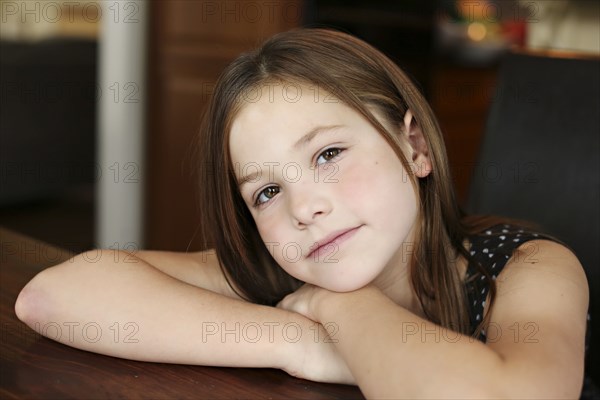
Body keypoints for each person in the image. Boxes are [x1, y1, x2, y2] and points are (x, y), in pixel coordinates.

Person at [15, 28, 591, 398]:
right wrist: (304, 341)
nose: (304, 208)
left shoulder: (528, 267)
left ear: (414, 149)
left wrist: (347, 306)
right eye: (265, 193)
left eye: (328, 154)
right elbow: (54, 296)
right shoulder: (284, 273)